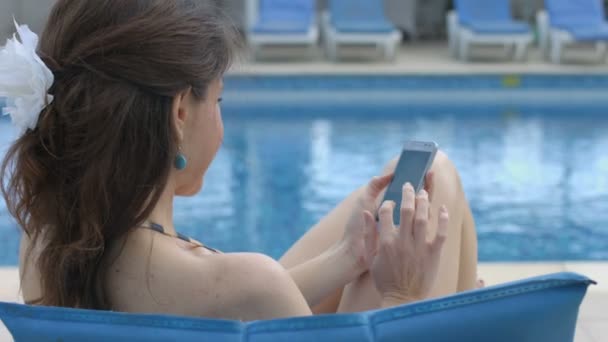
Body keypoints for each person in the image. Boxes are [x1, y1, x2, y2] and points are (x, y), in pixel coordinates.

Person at [0, 0, 478, 320]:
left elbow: (221, 312)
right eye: (220, 102)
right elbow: (247, 298)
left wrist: (347, 258)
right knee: (436, 189)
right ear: (181, 112)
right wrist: (405, 295)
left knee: (429, 182)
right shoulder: (245, 283)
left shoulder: (46, 244)